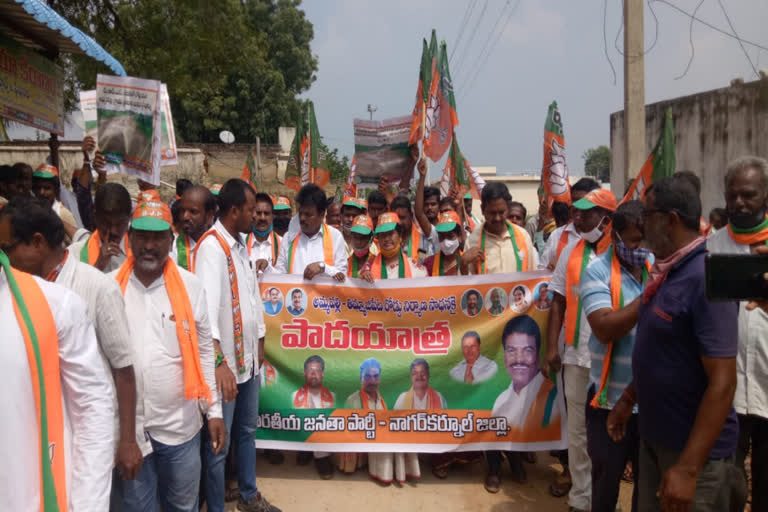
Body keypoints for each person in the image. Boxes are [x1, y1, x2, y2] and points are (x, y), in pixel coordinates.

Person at [608, 176, 739, 511]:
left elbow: (722, 382)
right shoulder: (667, 273)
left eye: (647, 216)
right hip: (657, 441)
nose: (641, 224)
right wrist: (629, 397)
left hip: (693, 458)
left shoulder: (705, 278)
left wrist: (689, 468)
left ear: (670, 221)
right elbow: (664, 352)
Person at [0, 197, 144, 496]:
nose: (3, 259)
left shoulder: (96, 287)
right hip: (36, 444)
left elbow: (124, 369)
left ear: (37, 242)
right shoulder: (11, 291)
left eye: (6, 249)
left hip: (91, 443)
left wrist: (129, 441)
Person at [110, 199, 225, 511]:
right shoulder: (109, 290)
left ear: (171, 240)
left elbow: (203, 351)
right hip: (131, 432)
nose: (149, 245)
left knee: (183, 506)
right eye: (142, 237)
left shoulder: (191, 287)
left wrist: (213, 411)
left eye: (158, 237)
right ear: (128, 237)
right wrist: (122, 438)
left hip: (181, 428)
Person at [193, 179, 278, 512]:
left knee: (246, 432)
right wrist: (218, 363)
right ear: (233, 211)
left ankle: (248, 494)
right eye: (249, 209)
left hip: (247, 364)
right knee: (218, 443)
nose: (254, 215)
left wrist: (258, 346)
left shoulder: (241, 246)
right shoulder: (211, 249)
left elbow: (251, 301)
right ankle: (214, 507)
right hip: (225, 367)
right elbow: (207, 315)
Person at [544, 187, 618, 512]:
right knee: (577, 433)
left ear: (606, 218)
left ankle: (604, 499)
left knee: (608, 434)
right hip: (575, 356)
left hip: (613, 359)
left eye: (586, 213)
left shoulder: (624, 251)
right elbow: (557, 301)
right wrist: (551, 348)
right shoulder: (570, 251)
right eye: (576, 211)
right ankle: (581, 499)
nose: (578, 217)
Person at [579, 200, 652, 512]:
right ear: (617, 238)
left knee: (648, 491)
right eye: (635, 240)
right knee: (606, 486)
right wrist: (653, 294)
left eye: (646, 240)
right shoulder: (596, 272)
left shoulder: (656, 267)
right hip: (609, 402)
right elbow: (605, 328)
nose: (642, 247)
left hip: (652, 403)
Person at [706, 156, 768, 511]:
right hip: (725, 390)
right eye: (733, 196)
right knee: (727, 485)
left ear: (765, 197)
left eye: (749, 194)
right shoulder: (710, 248)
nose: (739, 202)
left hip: (766, 382)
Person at [344, 358, 406, 483]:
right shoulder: (352, 400)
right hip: (359, 441)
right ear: (361, 378)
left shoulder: (382, 399)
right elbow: (346, 429)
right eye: (367, 376)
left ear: (380, 378)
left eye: (375, 376)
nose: (372, 380)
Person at [492, 315, 559, 430]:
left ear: (538, 356)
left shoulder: (553, 397)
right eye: (511, 350)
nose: (519, 359)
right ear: (504, 356)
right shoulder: (501, 401)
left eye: (528, 351)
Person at [269, 184, 347, 281]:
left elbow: (342, 275)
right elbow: (280, 275)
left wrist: (323, 268)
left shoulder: (335, 237)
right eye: (300, 213)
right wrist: (267, 268)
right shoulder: (289, 238)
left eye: (308, 215)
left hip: (323, 296)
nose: (302, 218)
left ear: (322, 215)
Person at [461, 182, 538, 275]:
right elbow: (466, 286)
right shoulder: (473, 241)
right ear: (482, 210)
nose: (497, 218)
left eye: (501, 212)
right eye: (492, 213)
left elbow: (532, 278)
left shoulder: (523, 236)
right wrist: (463, 264)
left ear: (508, 209)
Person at [68, 182, 133, 272]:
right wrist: (98, 266)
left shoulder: (139, 252)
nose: (113, 231)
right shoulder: (75, 254)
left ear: (129, 218)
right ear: (95, 218)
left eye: (119, 224)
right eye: (106, 223)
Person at [540, 178, 601, 270]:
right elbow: (541, 273)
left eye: (583, 202)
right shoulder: (557, 235)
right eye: (574, 201)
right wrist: (551, 270)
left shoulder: (608, 237)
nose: (576, 206)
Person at [291, 355, 336, 479]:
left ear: (323, 374)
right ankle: (305, 451)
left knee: (322, 422)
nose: (313, 374)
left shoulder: (332, 396)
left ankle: (321, 457)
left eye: (317, 370)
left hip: (324, 438)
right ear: (304, 373)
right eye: (310, 370)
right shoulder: (295, 395)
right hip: (303, 434)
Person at [361, 212, 427, 280]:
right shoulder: (368, 268)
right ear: (378, 239)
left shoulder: (415, 268)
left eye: (390, 233)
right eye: (383, 235)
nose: (386, 239)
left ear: (400, 237)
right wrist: (363, 279)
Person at [170, 185, 216, 270]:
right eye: (182, 211)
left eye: (193, 212)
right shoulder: (173, 249)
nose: (185, 217)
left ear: (209, 216)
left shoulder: (221, 247)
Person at [31, 164, 78, 228]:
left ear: (56, 190)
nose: (41, 192)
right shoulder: (30, 212)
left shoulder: (64, 215)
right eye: (38, 188)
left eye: (47, 188)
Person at [423, 210, 465, 276]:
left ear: (459, 236)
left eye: (450, 236)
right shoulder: (429, 263)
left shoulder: (467, 261)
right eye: (442, 237)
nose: (445, 242)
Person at [247, 193, 281, 267]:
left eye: (266, 213)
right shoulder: (241, 241)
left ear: (272, 215)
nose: (262, 218)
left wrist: (268, 267)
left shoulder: (282, 244)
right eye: (258, 213)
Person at [347, 214, 377, 281]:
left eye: (363, 238)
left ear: (371, 239)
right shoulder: (346, 263)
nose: (358, 242)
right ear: (351, 237)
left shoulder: (377, 262)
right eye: (355, 237)